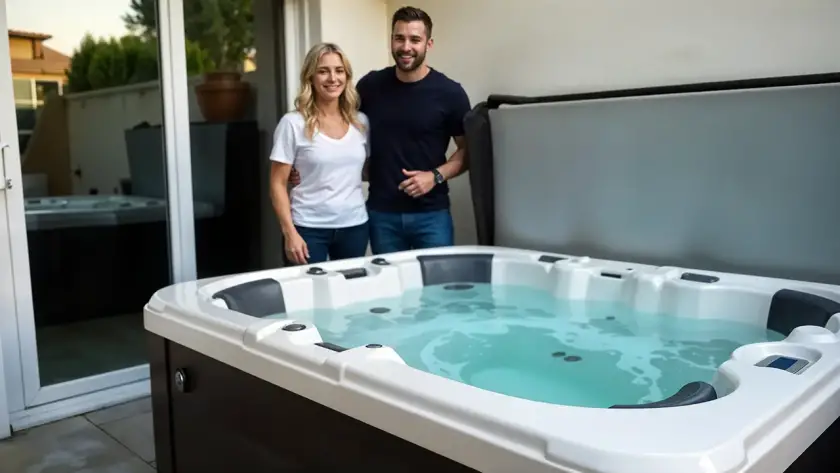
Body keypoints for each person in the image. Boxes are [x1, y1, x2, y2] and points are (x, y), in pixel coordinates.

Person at [290, 6, 471, 255]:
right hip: (381, 215)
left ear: (428, 44)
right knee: (385, 281)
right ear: (391, 40)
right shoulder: (370, 86)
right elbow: (335, 125)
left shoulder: (450, 93)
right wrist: (301, 165)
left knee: (435, 280)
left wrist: (435, 176)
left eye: (415, 39)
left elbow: (467, 151)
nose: (406, 47)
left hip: (431, 215)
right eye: (399, 38)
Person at [268, 42, 370, 265]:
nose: (333, 78)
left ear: (347, 76)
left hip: (354, 226)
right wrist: (290, 233)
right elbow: (277, 183)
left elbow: (363, 171)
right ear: (310, 77)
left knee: (349, 287)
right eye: (323, 71)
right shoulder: (293, 123)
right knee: (306, 288)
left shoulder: (360, 122)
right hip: (308, 228)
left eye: (339, 71)